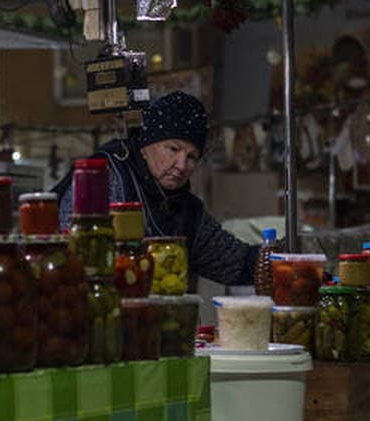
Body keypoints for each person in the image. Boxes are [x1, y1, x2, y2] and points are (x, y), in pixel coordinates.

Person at [54, 90, 260, 288]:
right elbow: (74, 257)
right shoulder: (104, 176)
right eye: (173, 149)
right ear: (145, 147)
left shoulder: (184, 208)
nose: (181, 165)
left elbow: (233, 263)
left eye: (191, 157)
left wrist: (281, 258)